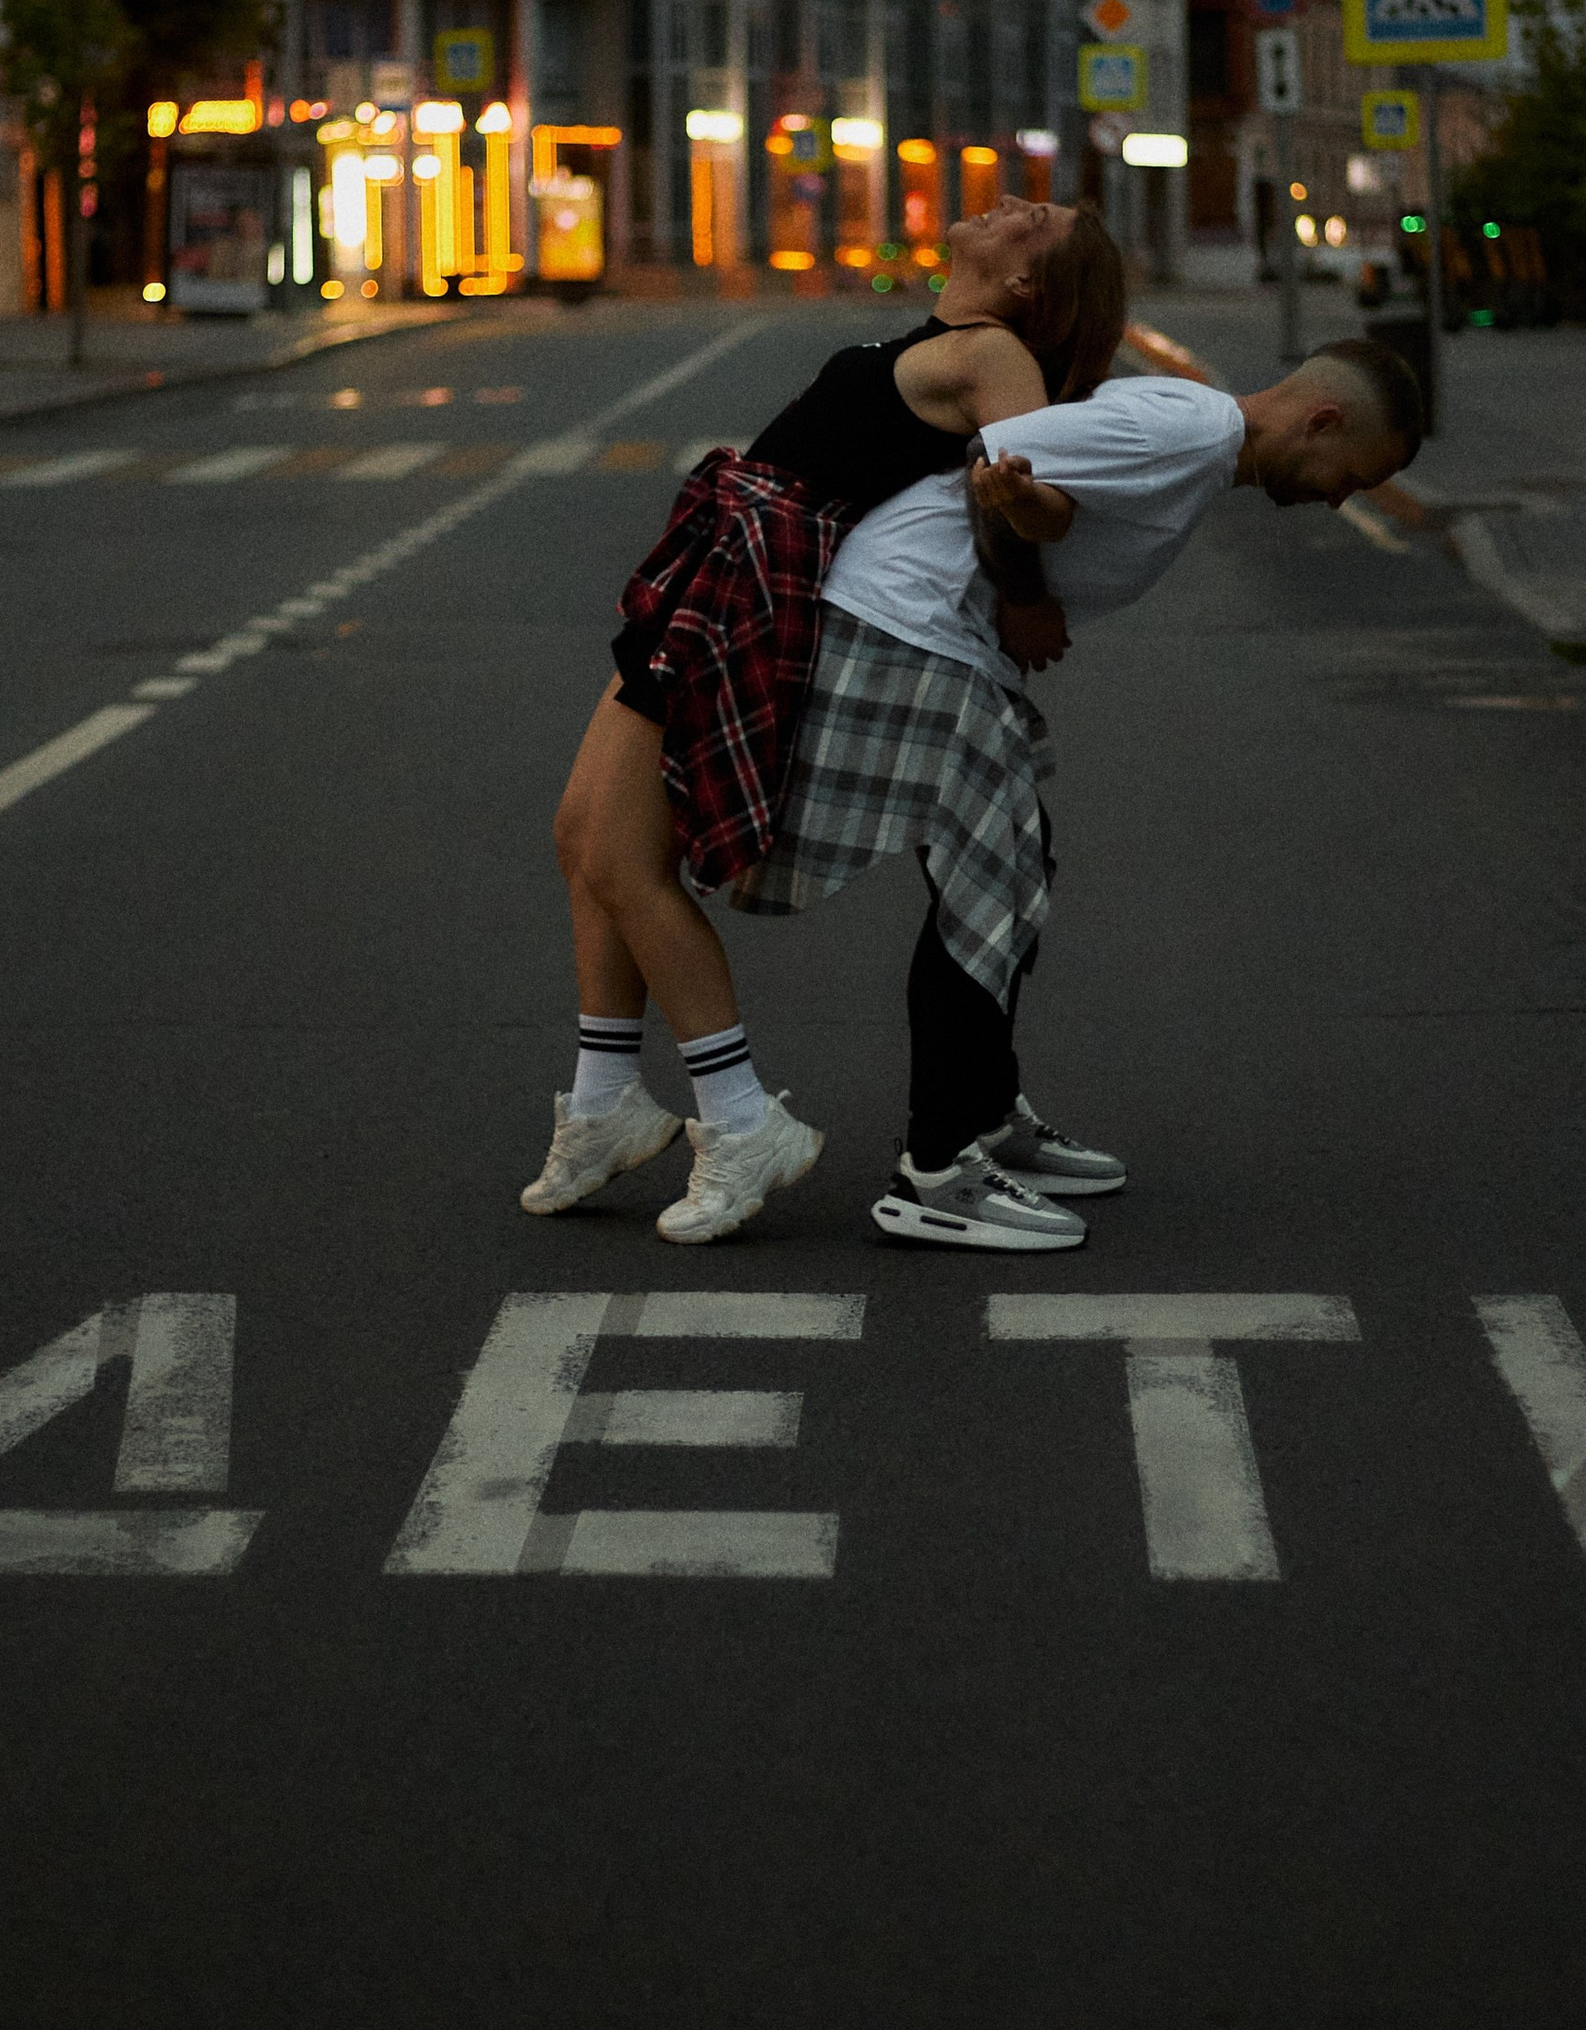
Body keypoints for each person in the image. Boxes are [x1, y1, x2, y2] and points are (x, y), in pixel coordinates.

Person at [526, 197, 1129, 1244]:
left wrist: (1025, 588)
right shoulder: (940, 337)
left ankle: (739, 1118)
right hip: (720, 569)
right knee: (582, 841)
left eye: (1036, 219)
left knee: (625, 864)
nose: (1010, 203)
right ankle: (601, 1102)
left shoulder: (993, 353)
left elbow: (1036, 488)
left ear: (1031, 283)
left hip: (759, 592)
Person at [734, 334, 1424, 1250]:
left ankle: (980, 1114)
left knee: (1015, 870)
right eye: (1352, 475)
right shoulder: (1189, 426)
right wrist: (1022, 595)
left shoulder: (1201, 444)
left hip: (930, 627)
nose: (1343, 497)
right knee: (990, 890)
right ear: (1323, 419)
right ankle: (937, 1169)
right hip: (912, 620)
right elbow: (998, 465)